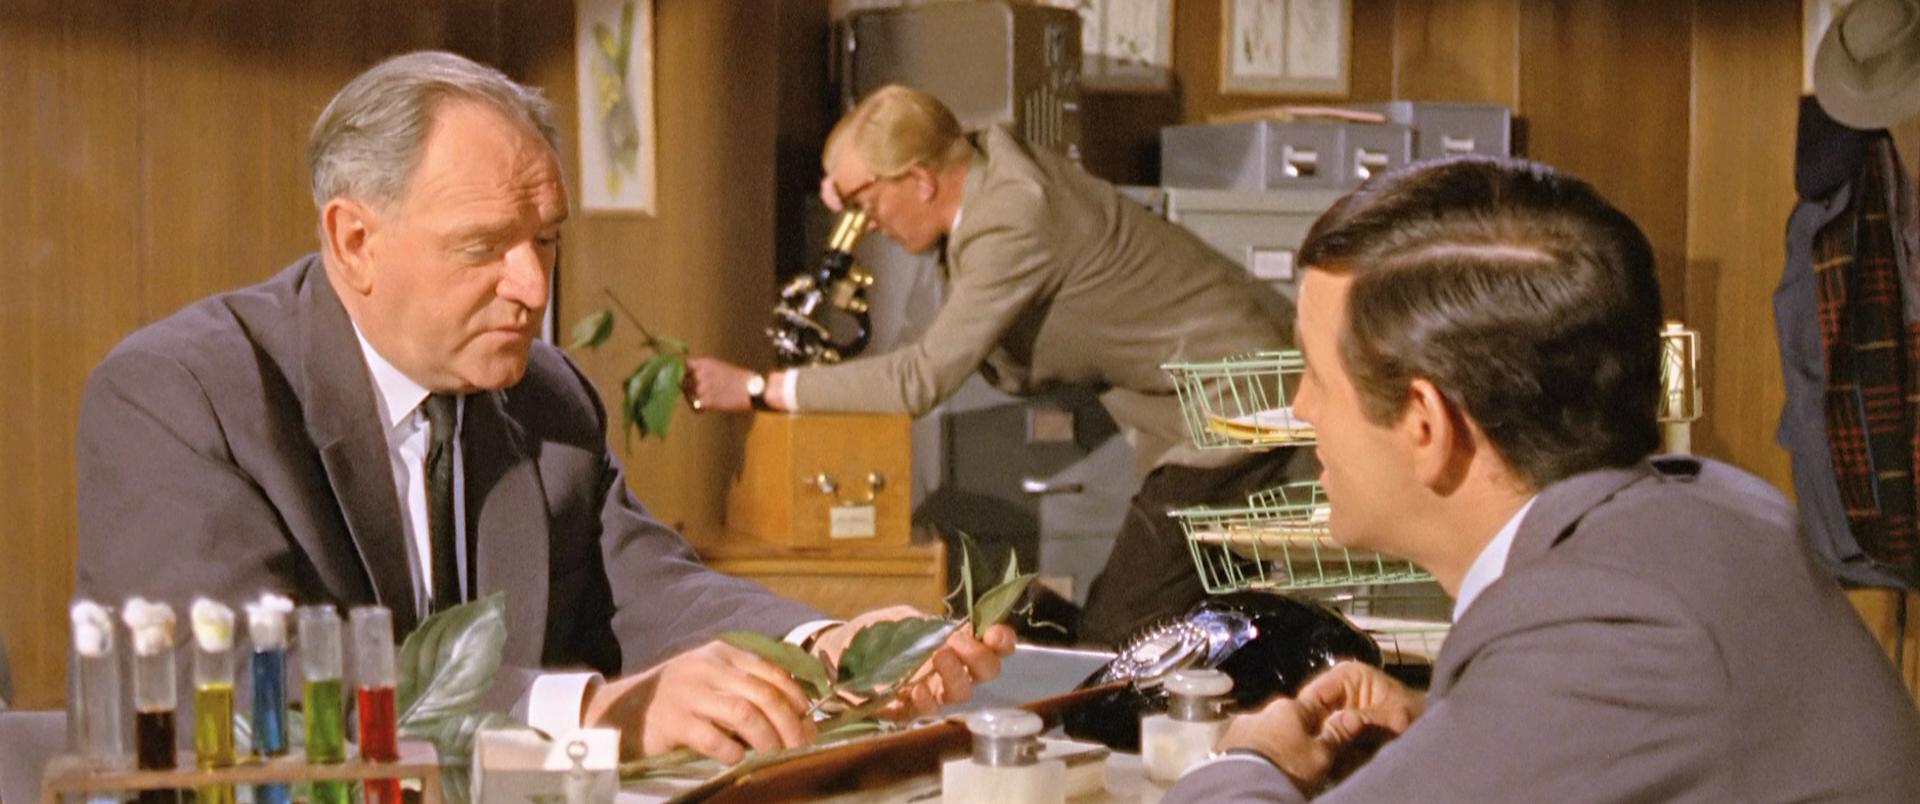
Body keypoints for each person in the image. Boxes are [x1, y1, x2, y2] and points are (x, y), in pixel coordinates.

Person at [73, 51, 1012, 764]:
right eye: (483, 246)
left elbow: (643, 583)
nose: (531, 287)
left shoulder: (544, 392)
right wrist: (593, 713)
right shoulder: (179, 395)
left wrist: (829, 648)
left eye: (546, 241)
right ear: (354, 240)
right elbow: (240, 688)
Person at [1163, 156, 1920, 802]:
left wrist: (1246, 761)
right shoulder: (1702, 511)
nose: (1301, 408)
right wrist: (1455, 733)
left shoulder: (1612, 634)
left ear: (1426, 425)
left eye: (1317, 376)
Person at [684, 84, 1301, 645]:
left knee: (1119, 637)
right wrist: (846, 182)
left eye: (864, 201)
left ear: (920, 181)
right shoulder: (984, 176)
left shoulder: (1014, 215)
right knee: (1176, 618)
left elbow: (919, 379)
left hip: (1238, 404)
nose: (865, 223)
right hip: (1203, 407)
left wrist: (760, 387)